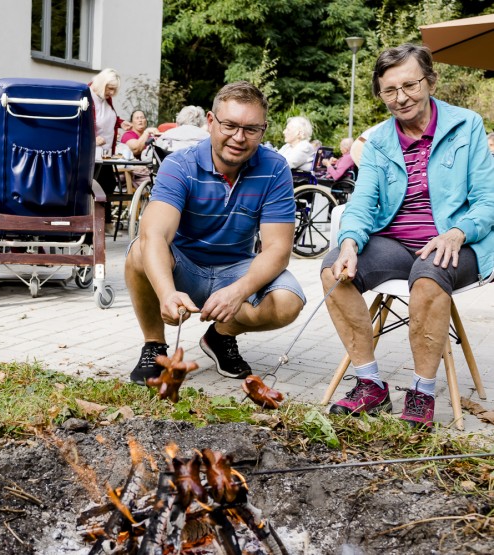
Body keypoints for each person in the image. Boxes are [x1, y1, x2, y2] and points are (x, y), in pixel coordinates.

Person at [321, 43, 494, 428]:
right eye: (389, 91)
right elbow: (362, 204)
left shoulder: (466, 125)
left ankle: (422, 393)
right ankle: (370, 386)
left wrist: (457, 231)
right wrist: (348, 241)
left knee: (430, 275)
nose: (401, 98)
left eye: (410, 85)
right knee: (333, 270)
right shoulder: (379, 140)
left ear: (430, 80)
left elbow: (487, 200)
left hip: (455, 241)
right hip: (396, 242)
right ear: (380, 94)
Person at [125, 81, 306, 386]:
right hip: (185, 267)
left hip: (235, 269)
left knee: (289, 301)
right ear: (210, 122)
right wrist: (167, 293)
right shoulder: (179, 165)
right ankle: (154, 346)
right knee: (139, 253)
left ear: (263, 131)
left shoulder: (275, 169)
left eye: (251, 129)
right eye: (230, 125)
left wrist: (238, 292)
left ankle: (220, 336)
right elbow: (154, 235)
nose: (239, 137)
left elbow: (277, 249)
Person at [89, 68, 130, 155]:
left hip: (107, 153)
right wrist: (91, 140)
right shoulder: (86, 96)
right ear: (101, 84)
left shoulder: (106, 97)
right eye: (110, 88)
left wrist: (120, 123)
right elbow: (78, 127)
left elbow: (105, 117)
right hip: (92, 155)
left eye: (114, 90)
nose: (112, 93)